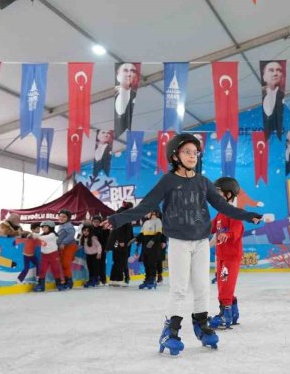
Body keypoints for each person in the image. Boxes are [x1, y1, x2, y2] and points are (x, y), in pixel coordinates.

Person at [102, 133, 261, 356]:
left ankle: (202, 325)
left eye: (195, 152)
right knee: (178, 289)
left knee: (202, 286)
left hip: (201, 242)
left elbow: (223, 207)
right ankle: (170, 331)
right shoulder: (168, 181)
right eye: (187, 152)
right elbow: (146, 205)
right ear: (175, 155)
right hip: (178, 242)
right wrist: (116, 219)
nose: (192, 156)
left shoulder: (203, 182)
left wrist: (247, 215)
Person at [208, 177, 247, 329]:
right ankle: (233, 311)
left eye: (218, 192)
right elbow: (211, 229)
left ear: (229, 194)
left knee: (225, 286)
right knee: (222, 285)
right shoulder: (220, 214)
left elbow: (237, 231)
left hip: (231, 257)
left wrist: (228, 235)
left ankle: (226, 315)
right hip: (221, 256)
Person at [31, 220, 68, 292]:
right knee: (42, 270)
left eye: (45, 227)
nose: (43, 228)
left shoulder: (53, 235)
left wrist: (34, 235)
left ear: (51, 228)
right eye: (43, 227)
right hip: (44, 255)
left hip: (53, 255)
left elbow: (44, 238)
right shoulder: (42, 235)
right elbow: (40, 239)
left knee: (56, 270)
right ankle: (41, 285)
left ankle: (59, 284)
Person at [134, 210, 164, 290]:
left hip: (153, 245)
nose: (151, 215)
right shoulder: (146, 222)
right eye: (151, 213)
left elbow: (159, 233)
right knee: (146, 262)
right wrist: (136, 239)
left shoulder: (158, 221)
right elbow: (142, 234)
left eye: (153, 213)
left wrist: (153, 240)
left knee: (152, 262)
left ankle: (152, 280)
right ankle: (147, 279)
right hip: (145, 244)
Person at [108, 202, 134, 287]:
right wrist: (121, 240)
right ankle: (119, 279)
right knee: (121, 260)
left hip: (117, 242)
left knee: (117, 260)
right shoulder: (122, 215)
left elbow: (128, 230)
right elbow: (120, 228)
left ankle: (113, 279)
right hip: (120, 242)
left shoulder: (121, 214)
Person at [262, 60, 285, 140]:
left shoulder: (284, 96)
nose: (275, 73)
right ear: (264, 77)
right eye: (271, 70)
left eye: (278, 70)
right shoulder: (260, 95)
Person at [114, 62, 138, 137]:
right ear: (118, 75)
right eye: (125, 70)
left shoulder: (135, 97)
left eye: (132, 71)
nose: (129, 74)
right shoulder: (112, 95)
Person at [57, 209, 77, 290]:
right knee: (63, 264)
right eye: (60, 216)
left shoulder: (68, 225)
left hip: (69, 246)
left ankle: (69, 281)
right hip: (62, 247)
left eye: (64, 217)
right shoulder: (61, 225)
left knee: (66, 263)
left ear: (68, 218)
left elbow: (71, 235)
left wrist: (63, 243)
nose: (61, 218)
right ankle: (65, 280)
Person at [91, 215, 109, 285]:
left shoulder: (104, 230)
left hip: (102, 250)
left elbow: (107, 240)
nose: (96, 223)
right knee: (95, 265)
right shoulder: (91, 229)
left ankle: (103, 279)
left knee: (102, 264)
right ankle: (96, 278)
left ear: (100, 222)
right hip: (93, 250)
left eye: (97, 222)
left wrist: (106, 248)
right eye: (94, 222)